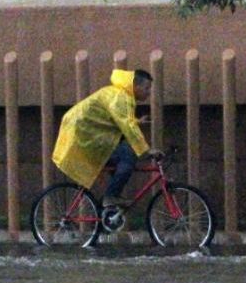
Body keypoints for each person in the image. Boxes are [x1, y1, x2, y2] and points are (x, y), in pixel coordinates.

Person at [52, 69, 163, 208]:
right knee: (129, 155)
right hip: (85, 136)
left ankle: (110, 205)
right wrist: (146, 150)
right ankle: (111, 197)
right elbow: (127, 126)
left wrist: (137, 121)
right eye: (147, 88)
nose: (148, 92)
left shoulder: (119, 94)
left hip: (88, 133)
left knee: (122, 155)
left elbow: (118, 118)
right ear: (135, 86)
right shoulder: (121, 97)